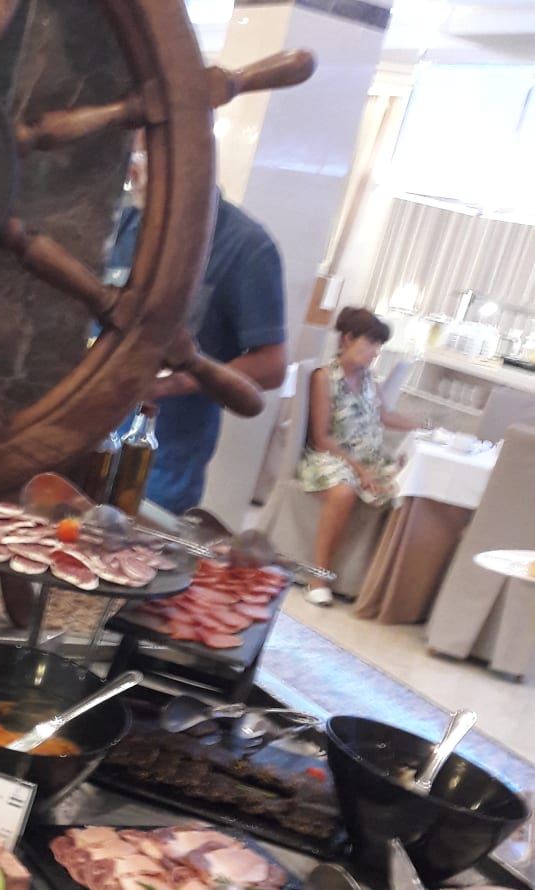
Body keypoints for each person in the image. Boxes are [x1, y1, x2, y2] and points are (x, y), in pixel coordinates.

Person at [107, 174, 288, 514]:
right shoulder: (124, 222)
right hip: (87, 439)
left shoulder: (246, 246)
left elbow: (272, 366)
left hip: (161, 467)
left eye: (144, 157)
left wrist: (169, 384)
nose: (133, 173)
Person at [299, 305, 419, 606]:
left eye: (379, 345)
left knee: (411, 488)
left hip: (368, 458)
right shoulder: (324, 377)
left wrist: (426, 426)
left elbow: (384, 416)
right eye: (371, 343)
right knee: (343, 492)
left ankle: (381, 587)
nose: (376, 352)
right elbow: (321, 437)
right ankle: (318, 578)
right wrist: (358, 469)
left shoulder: (368, 378)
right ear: (348, 338)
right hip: (331, 456)